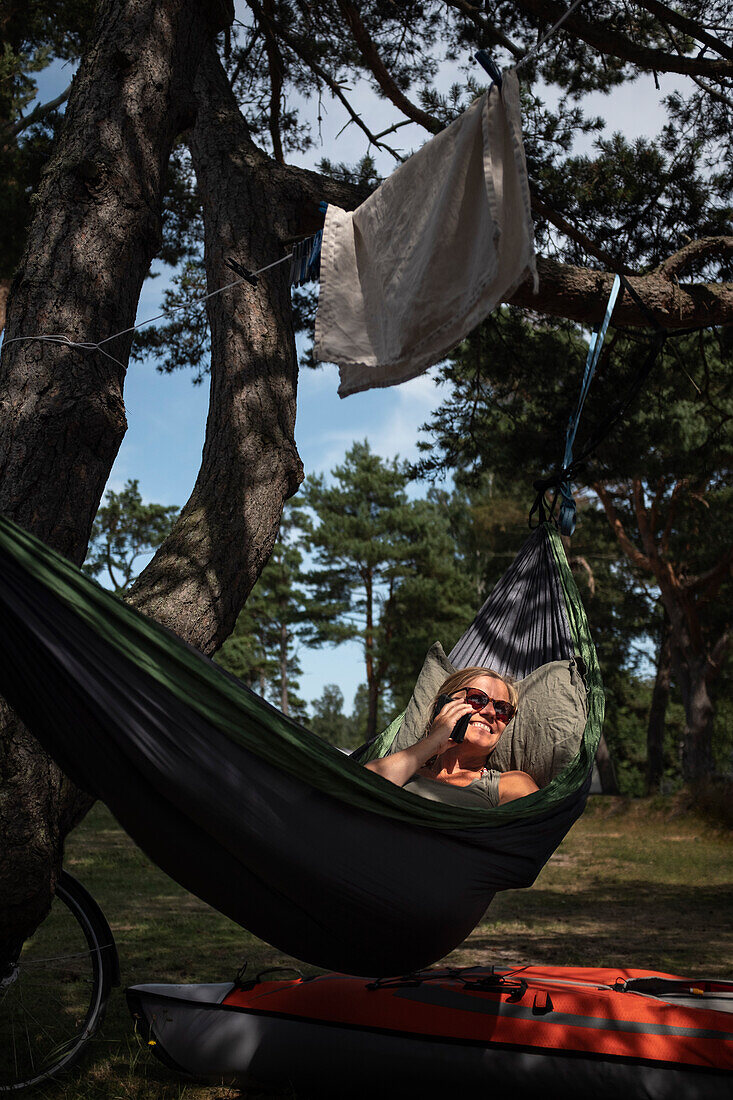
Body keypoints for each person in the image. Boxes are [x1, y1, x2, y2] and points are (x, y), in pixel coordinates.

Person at [365, 667, 538, 805]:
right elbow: (360, 787)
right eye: (477, 699)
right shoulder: (406, 769)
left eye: (502, 709)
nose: (491, 712)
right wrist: (432, 742)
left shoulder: (511, 786)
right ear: (443, 705)